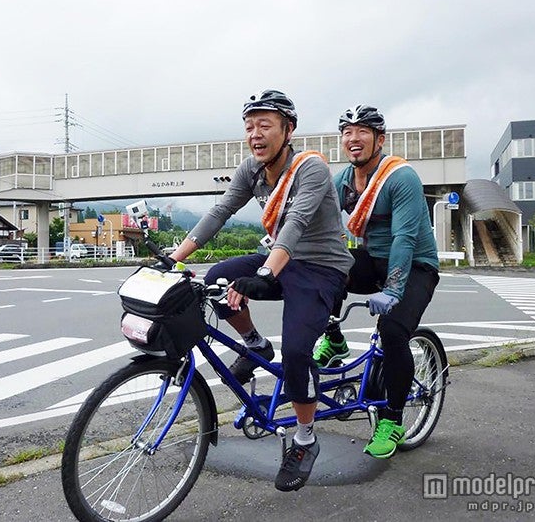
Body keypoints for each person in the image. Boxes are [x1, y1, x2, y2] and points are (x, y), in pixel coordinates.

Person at [167, 90, 353, 492]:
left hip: (321, 268)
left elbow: (296, 223)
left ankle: (305, 438)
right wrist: (175, 258)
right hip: (280, 261)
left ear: (288, 129)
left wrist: (267, 273)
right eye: (249, 126)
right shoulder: (251, 169)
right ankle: (254, 344)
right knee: (217, 278)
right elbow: (220, 212)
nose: (255, 134)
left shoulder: (311, 169)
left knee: (300, 352)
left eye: (265, 125)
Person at [312, 104, 440, 459]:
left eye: (362, 131)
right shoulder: (341, 181)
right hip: (374, 261)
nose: (353, 139)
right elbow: (319, 223)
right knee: (325, 268)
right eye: (347, 133)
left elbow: (405, 239)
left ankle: (392, 419)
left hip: (415, 266)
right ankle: (334, 339)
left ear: (379, 139)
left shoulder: (401, 178)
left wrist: (394, 289)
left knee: (394, 331)